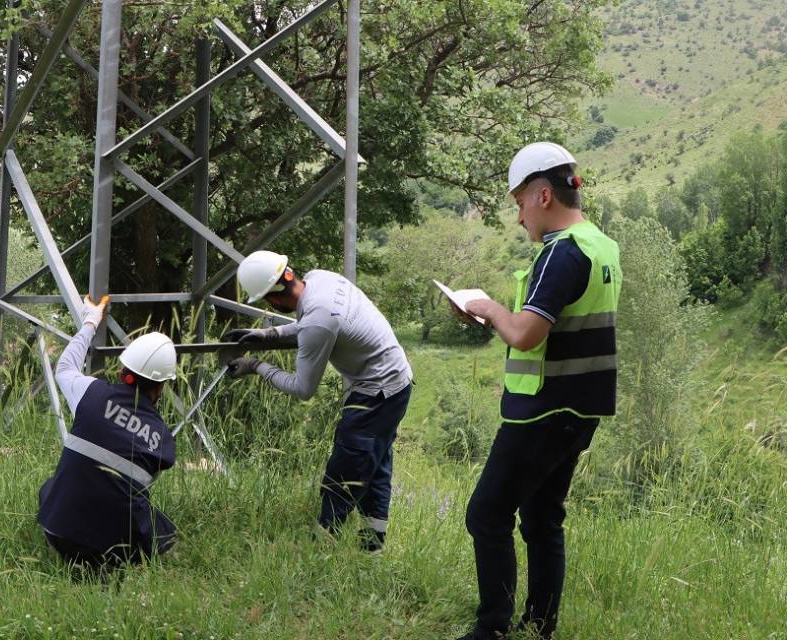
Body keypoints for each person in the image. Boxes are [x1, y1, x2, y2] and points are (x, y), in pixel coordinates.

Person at [454, 142, 622, 640]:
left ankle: (492, 629)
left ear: (543, 195)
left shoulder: (561, 252)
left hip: (541, 411)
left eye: (520, 203)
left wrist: (489, 309)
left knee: (487, 514)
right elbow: (555, 330)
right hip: (580, 409)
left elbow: (527, 334)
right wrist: (498, 320)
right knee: (543, 518)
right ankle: (539, 626)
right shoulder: (601, 246)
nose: (520, 217)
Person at [226, 252, 414, 552]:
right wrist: (268, 334)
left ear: (272, 299)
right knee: (374, 464)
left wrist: (257, 366)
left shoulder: (318, 321)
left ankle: (323, 543)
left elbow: (303, 388)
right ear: (288, 273)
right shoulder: (321, 278)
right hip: (395, 381)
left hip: (377, 391)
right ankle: (372, 547)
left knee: (347, 467)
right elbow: (310, 323)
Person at [37, 295, 180, 568]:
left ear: (123, 370)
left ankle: (64, 551)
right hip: (117, 553)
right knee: (161, 524)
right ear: (161, 387)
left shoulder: (91, 393)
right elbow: (131, 493)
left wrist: (91, 321)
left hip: (59, 535)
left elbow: (64, 368)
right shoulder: (163, 439)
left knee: (51, 487)